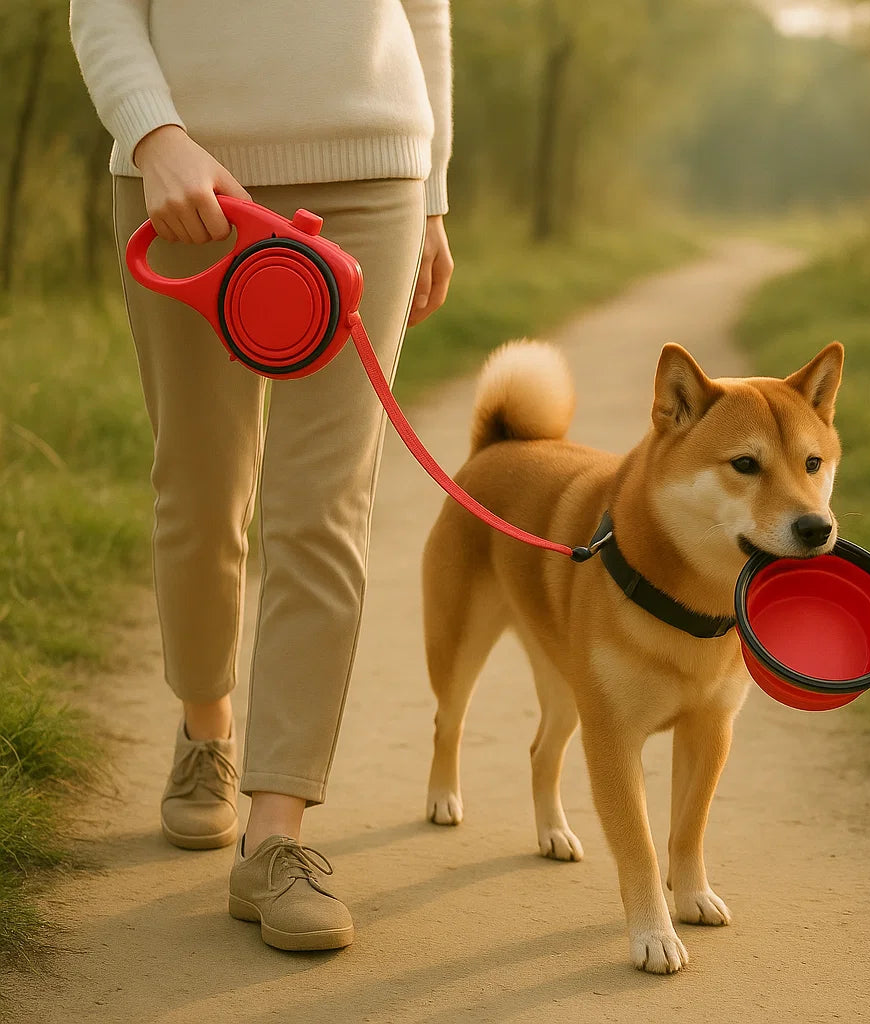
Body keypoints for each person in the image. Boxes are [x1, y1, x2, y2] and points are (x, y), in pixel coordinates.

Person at [70, 0, 453, 952]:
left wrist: (434, 190)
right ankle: (207, 727)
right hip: (185, 185)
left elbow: (428, 13)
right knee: (200, 491)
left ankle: (276, 836)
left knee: (320, 506)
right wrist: (155, 135)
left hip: (373, 175)